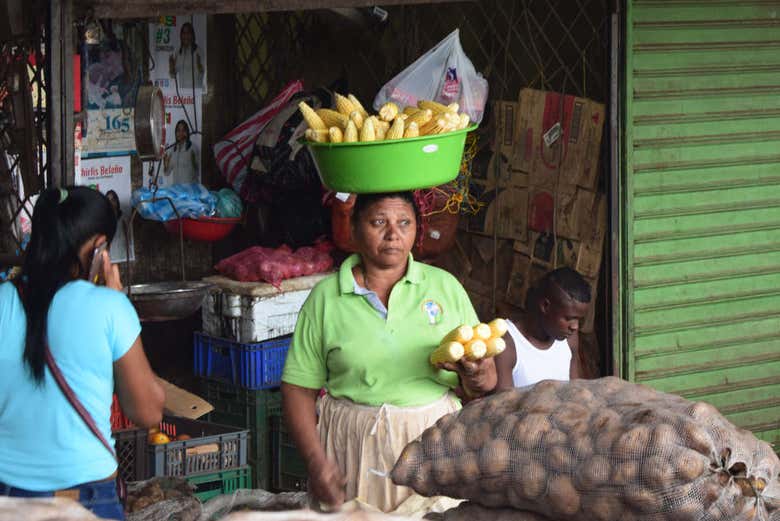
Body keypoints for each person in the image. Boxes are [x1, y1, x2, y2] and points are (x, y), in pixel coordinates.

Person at [281, 192, 496, 513]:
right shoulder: (325, 298)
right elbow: (298, 388)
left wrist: (477, 375)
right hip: (352, 449)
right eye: (378, 222)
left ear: (415, 231)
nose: (393, 234)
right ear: (354, 230)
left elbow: (485, 383)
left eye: (404, 223)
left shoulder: (444, 287)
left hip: (433, 447)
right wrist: (316, 462)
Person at [0, 187, 165, 519]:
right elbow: (147, 411)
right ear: (99, 246)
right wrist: (117, 301)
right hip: (86, 500)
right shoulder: (108, 307)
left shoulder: (3, 299)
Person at [495, 267, 591, 390]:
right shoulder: (507, 344)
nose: (575, 326)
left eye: (579, 319)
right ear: (545, 306)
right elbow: (502, 407)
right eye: (568, 318)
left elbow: (576, 393)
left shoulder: (569, 338)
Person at [168, 22, 204, 90]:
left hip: (196, 92)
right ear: (181, 35)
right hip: (183, 93)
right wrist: (171, 66)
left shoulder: (198, 51)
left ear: (192, 35)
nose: (186, 36)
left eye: (188, 33)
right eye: (184, 33)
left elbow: (202, 74)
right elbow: (173, 75)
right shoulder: (178, 51)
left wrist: (199, 66)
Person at [163, 120, 200, 185]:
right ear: (175, 132)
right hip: (177, 190)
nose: (180, 133)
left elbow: (197, 172)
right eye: (178, 130)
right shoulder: (173, 149)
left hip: (189, 190)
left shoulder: (193, 148)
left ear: (187, 132)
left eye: (183, 130)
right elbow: (167, 173)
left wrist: (194, 163)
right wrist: (165, 163)